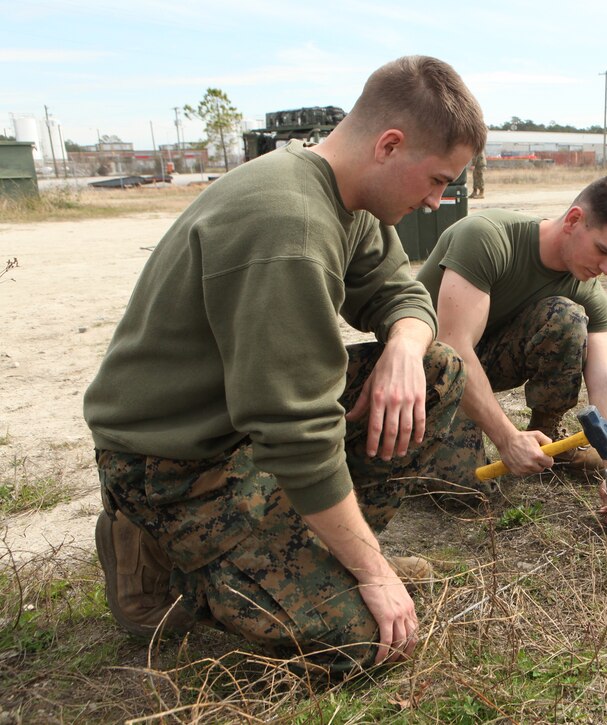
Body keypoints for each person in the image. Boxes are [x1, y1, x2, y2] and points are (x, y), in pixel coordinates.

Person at [84, 55, 487, 672]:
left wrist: (405, 348)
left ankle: (324, 551)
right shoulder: (289, 226)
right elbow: (296, 432)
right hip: (171, 460)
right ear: (389, 145)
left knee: (435, 371)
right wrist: (375, 577)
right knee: (358, 641)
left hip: (242, 426)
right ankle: (152, 543)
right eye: (437, 180)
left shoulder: (349, 198)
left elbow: (399, 293)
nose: (437, 201)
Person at [415, 175, 607, 531]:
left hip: (479, 363)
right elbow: (454, 346)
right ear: (573, 220)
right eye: (603, 251)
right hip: (426, 370)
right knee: (460, 492)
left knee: (568, 317)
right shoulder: (486, 238)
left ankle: (545, 436)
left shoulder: (585, 286)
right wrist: (507, 440)